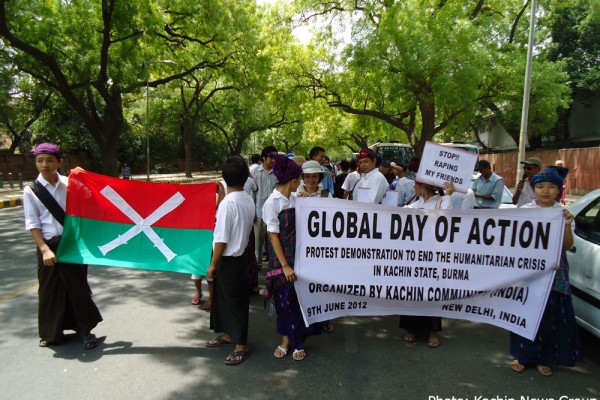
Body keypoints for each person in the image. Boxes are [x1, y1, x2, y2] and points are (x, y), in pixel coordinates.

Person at [23, 142, 102, 349]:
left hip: (72, 244)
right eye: (40, 161)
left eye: (50, 160)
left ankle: (85, 331)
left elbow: (93, 201)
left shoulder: (70, 183)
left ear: (59, 162)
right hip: (48, 246)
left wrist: (84, 177)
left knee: (78, 288)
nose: (45, 165)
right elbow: (33, 223)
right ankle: (51, 333)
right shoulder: (31, 191)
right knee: (49, 290)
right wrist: (44, 249)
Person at [509, 166, 583, 376]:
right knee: (524, 311)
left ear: (559, 190)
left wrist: (567, 225)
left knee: (550, 317)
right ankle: (521, 355)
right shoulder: (525, 212)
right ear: (533, 189)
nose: (545, 191)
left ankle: (545, 358)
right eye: (540, 186)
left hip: (555, 273)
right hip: (528, 273)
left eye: (551, 187)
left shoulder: (563, 213)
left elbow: (567, 246)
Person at [262, 154, 325, 361]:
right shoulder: (273, 202)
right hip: (283, 261)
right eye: (299, 179)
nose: (301, 182)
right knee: (284, 302)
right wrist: (285, 266)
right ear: (292, 181)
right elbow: (273, 236)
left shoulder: (294, 198)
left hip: (300, 258)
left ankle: (297, 341)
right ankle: (286, 341)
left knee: (298, 301)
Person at [205, 156, 255, 365]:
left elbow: (221, 239)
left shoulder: (228, 204)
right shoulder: (246, 198)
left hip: (229, 259)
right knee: (224, 299)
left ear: (224, 177)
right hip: (241, 255)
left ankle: (241, 344)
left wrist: (213, 264)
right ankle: (229, 334)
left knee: (235, 302)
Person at [400, 181, 451, 348]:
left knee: (431, 291)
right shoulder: (417, 203)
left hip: (434, 255)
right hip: (414, 254)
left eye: (416, 185)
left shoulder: (441, 201)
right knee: (413, 291)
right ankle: (412, 328)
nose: (414, 188)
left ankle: (432, 331)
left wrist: (449, 195)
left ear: (423, 187)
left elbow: (448, 217)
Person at [253, 146, 279, 264]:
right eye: (271, 157)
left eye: (275, 157)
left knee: (274, 239)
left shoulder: (278, 173)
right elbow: (251, 193)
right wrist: (252, 211)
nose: (274, 160)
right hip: (259, 212)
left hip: (274, 213)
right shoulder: (255, 172)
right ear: (264, 158)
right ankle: (257, 264)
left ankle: (274, 265)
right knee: (258, 241)